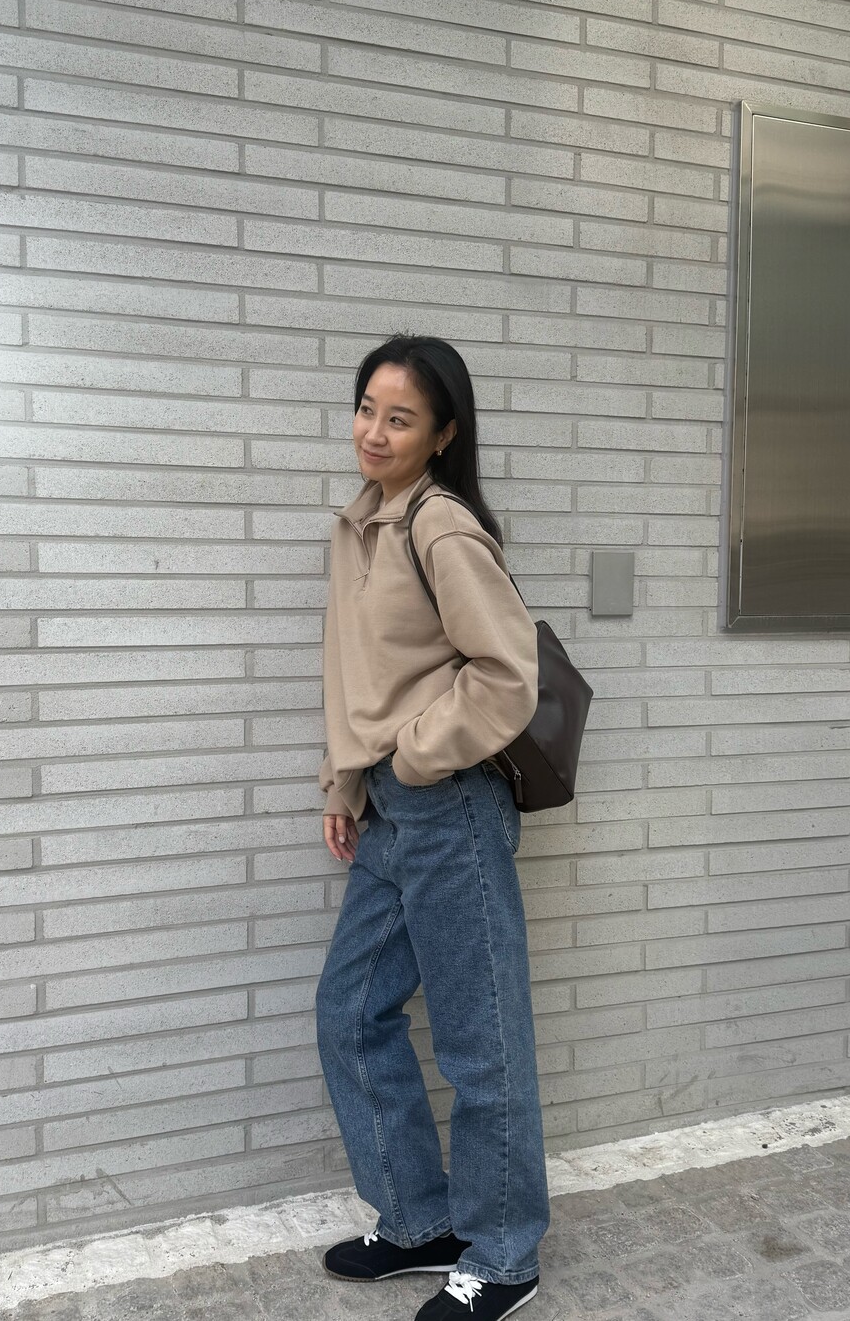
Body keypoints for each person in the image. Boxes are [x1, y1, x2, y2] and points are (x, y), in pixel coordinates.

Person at [314, 334, 550, 1321]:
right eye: (367, 408)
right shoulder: (360, 523)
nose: (374, 431)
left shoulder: (439, 525)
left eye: (400, 417)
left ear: (443, 434)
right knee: (350, 1012)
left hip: (446, 806)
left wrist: (413, 758)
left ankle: (504, 1254)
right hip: (386, 811)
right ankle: (419, 1220)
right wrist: (346, 783)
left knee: (479, 1040)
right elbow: (354, 672)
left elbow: (509, 673)